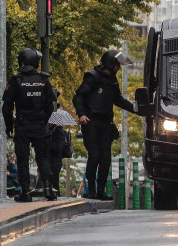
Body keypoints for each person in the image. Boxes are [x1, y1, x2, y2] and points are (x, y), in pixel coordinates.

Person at [73, 49, 136, 200]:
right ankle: (91, 190)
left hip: (106, 123)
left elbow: (118, 100)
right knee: (94, 156)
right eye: (117, 65)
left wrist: (136, 109)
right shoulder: (92, 76)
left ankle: (101, 190)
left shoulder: (113, 80)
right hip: (91, 122)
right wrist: (81, 114)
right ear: (111, 63)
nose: (119, 68)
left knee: (106, 158)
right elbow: (78, 97)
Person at [2, 48, 57, 202]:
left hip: (22, 126)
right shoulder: (43, 80)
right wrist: (44, 121)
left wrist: (9, 126)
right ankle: (48, 187)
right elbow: (50, 105)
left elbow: (6, 107)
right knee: (43, 157)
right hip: (39, 125)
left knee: (23, 158)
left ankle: (25, 191)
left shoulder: (16, 80)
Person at [48, 122, 69, 195]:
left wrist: (48, 142)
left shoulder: (58, 131)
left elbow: (59, 148)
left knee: (54, 181)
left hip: (55, 161)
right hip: (50, 160)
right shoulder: (48, 131)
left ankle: (56, 195)